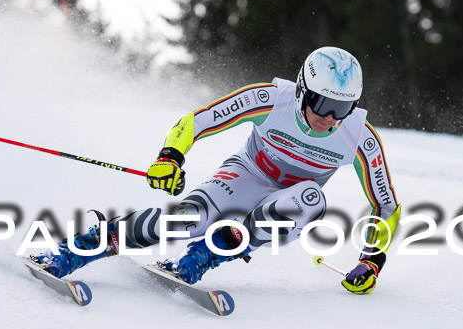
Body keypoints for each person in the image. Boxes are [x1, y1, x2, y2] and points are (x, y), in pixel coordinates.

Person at [34, 47, 401, 294]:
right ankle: (85, 246)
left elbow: (386, 206)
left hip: (289, 199)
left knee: (311, 197)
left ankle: (208, 254)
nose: (329, 117)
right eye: (322, 103)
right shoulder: (271, 99)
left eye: (342, 107)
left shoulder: (360, 139)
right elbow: (198, 121)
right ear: (304, 91)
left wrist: (372, 260)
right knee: (184, 219)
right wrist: (170, 157)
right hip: (246, 175)